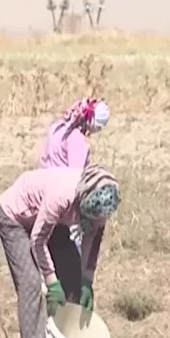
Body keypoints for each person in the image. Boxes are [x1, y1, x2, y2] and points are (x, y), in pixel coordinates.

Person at [0, 164, 120, 338]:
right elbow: (38, 240)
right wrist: (52, 282)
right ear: (81, 202)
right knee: (30, 284)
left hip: (55, 221)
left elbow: (92, 242)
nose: (95, 222)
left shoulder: (100, 206)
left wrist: (87, 281)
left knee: (72, 275)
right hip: (16, 217)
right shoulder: (62, 196)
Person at [39, 97, 111, 250]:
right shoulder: (77, 141)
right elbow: (75, 180)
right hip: (64, 200)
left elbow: (44, 159)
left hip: (45, 191)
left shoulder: (57, 128)